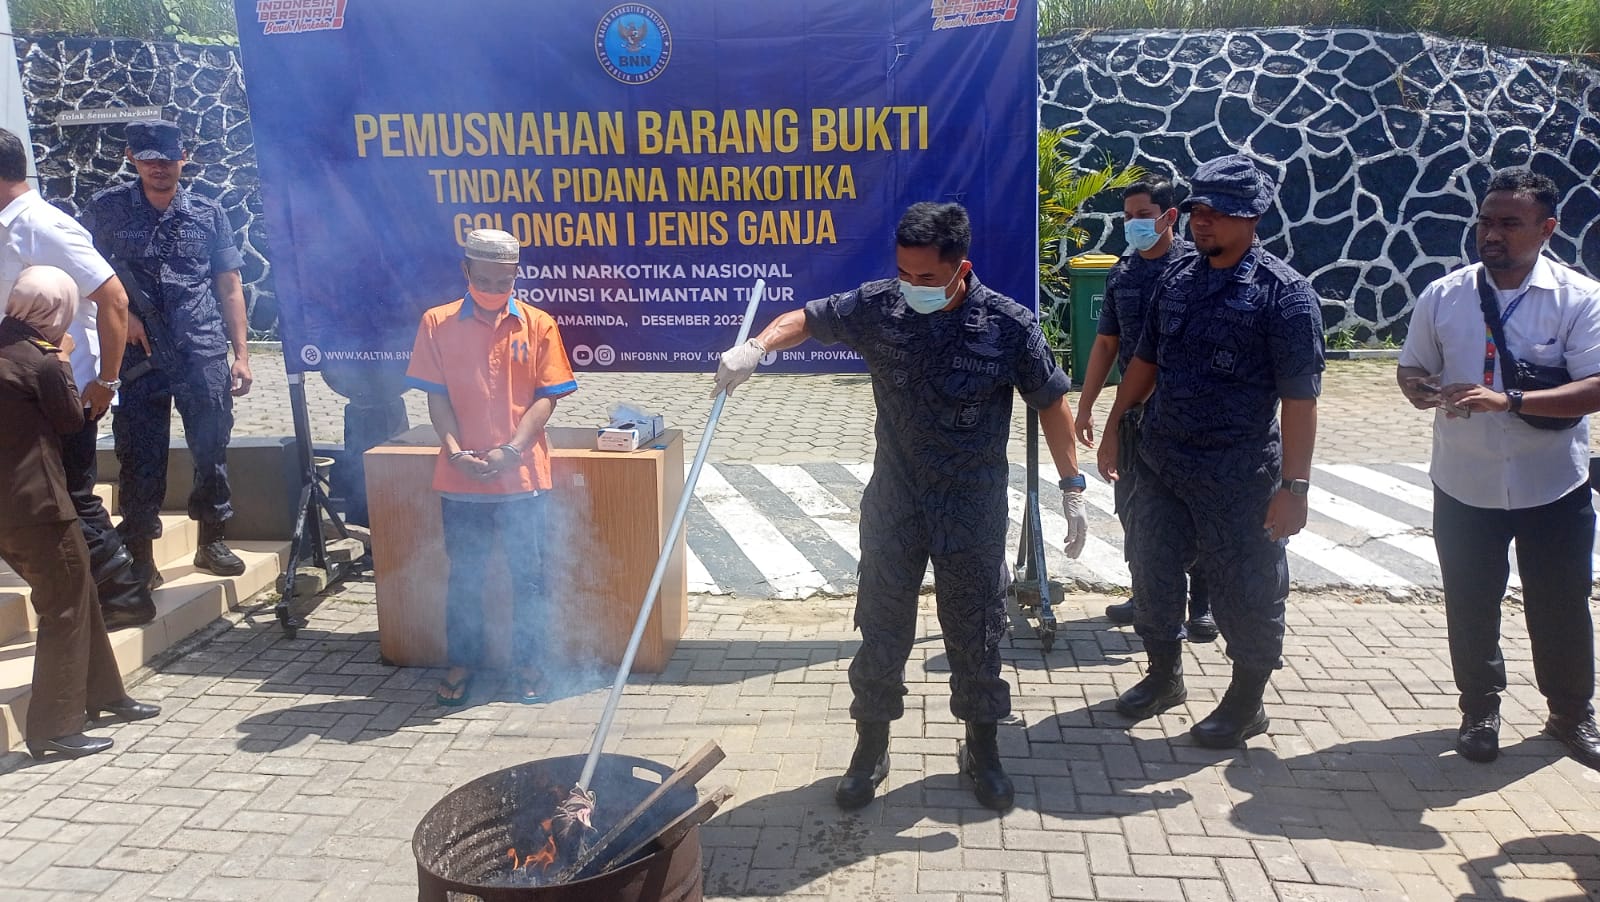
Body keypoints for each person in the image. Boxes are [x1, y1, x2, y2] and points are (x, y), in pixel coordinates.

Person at [712, 202, 1090, 811]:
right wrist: (756, 348)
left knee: (976, 633)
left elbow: (1051, 401)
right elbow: (805, 318)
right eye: (904, 274)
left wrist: (1072, 487)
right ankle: (871, 748)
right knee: (882, 629)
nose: (911, 288)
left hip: (972, 506)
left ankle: (981, 747)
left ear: (959, 268)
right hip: (895, 502)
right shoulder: (879, 305)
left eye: (926, 279)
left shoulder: (1007, 325)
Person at [1097, 155, 1323, 748]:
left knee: (1248, 589)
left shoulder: (1286, 297)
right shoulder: (1175, 279)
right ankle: (1163, 676)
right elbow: (1145, 359)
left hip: (1239, 474)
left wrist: (1294, 490)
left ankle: (1246, 702)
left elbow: (1301, 402)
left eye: (1219, 213)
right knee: (1151, 570)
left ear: (1252, 219)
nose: (1203, 222)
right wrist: (1117, 421)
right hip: (1164, 463)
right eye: (1199, 209)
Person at [1397, 168, 1600, 771]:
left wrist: (1507, 401)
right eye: (1486, 221)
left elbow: (1595, 388)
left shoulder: (1579, 298)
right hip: (1463, 480)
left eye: (1510, 223)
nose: (1492, 234)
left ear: (1547, 228)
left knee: (1561, 600)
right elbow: (1410, 371)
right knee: (1470, 599)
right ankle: (1479, 710)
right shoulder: (1445, 294)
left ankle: (1569, 713)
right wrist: (1426, 390)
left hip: (1552, 484)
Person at [404, 229, 577, 708]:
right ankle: (463, 663)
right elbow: (435, 398)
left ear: (516, 274)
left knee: (529, 578)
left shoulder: (538, 324)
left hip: (522, 478)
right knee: (466, 577)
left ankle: (530, 663)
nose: (497, 289)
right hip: (460, 478)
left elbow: (547, 399)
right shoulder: (436, 323)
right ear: (466, 272)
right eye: (486, 280)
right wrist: (456, 449)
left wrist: (513, 450)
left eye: (506, 280)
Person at [83, 119, 254, 590]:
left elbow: (229, 284)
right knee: (140, 453)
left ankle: (212, 539)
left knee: (211, 445)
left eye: (167, 160)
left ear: (184, 158)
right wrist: (124, 318)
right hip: (138, 353)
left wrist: (241, 354)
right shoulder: (106, 210)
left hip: (199, 346)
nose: (159, 170)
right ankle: (140, 551)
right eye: (148, 160)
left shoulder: (207, 211)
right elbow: (85, 276)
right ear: (130, 158)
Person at [0, 266, 159, 760]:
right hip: (41, 506)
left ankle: (103, 695)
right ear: (56, 310)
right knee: (64, 607)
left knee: (82, 589)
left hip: (11, 507)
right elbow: (72, 422)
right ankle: (54, 729)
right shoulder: (44, 360)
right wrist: (66, 360)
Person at [0, 127, 154, 630]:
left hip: (64, 389)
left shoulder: (42, 225)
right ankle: (107, 594)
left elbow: (113, 300)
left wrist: (106, 383)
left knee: (69, 498)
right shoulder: (10, 225)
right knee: (63, 497)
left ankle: (124, 595)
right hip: (26, 390)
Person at [1073, 177, 1214, 641]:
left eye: (1142, 215)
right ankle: (1146, 592)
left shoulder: (1200, 270)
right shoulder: (1122, 274)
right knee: (1132, 505)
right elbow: (1107, 344)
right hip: (1135, 415)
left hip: (1191, 413)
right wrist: (1087, 405)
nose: (1133, 224)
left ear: (1169, 216)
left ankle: (1201, 605)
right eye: (1128, 216)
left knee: (1195, 509)